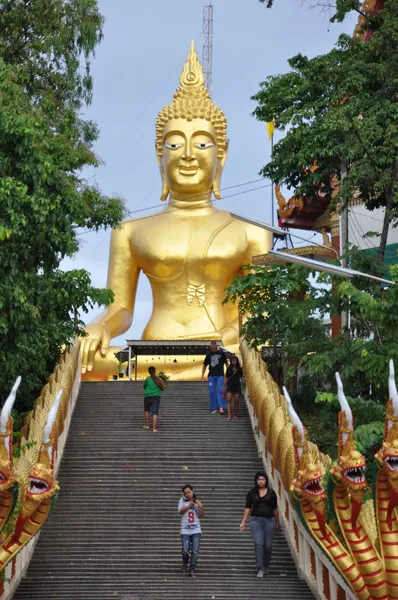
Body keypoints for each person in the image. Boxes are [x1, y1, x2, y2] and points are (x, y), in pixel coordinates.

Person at [240, 471, 280, 578]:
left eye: (262, 479)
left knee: (268, 545)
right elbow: (248, 508)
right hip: (255, 520)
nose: (261, 481)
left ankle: (266, 565)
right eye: (259, 479)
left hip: (269, 520)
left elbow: (275, 509)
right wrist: (243, 522)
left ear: (266, 480)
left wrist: (277, 522)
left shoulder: (271, 493)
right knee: (258, 543)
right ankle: (260, 568)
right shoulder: (252, 493)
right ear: (256, 481)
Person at [178, 484, 204, 579]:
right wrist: (189, 506)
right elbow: (180, 511)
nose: (188, 494)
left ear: (193, 491)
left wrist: (200, 507)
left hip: (196, 529)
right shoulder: (182, 501)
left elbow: (201, 516)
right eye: (186, 493)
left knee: (195, 550)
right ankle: (185, 563)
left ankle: (192, 569)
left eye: (189, 492)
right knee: (185, 550)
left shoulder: (197, 501)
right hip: (185, 529)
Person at [201, 342, 227, 414]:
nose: (213, 349)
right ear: (210, 348)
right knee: (212, 391)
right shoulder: (208, 355)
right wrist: (202, 376)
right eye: (212, 348)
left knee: (220, 390)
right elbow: (205, 366)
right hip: (211, 376)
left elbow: (226, 363)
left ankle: (221, 407)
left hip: (220, 375)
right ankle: (214, 407)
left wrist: (229, 371)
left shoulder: (221, 353)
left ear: (216, 347)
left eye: (214, 348)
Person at [143, 366, 165, 432]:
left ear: (149, 372)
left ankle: (147, 425)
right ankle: (154, 428)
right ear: (155, 371)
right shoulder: (158, 379)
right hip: (156, 397)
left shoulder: (147, 379)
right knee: (155, 412)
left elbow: (144, 387)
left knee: (147, 410)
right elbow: (162, 388)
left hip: (147, 397)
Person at [224, 356, 245, 421]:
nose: (234, 362)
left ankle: (235, 414)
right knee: (229, 400)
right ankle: (229, 415)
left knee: (236, 401)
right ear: (231, 361)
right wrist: (224, 386)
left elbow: (241, 377)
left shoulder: (239, 369)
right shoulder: (228, 369)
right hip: (229, 386)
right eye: (233, 361)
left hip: (237, 386)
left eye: (235, 361)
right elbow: (226, 377)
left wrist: (244, 379)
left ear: (237, 361)